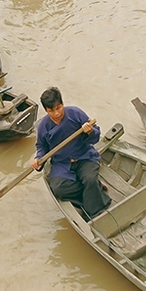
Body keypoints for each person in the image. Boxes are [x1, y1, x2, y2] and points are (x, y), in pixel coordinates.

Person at [34, 87, 107, 218]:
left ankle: (93, 211)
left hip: (84, 156)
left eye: (58, 108)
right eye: (52, 110)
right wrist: (38, 159)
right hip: (62, 163)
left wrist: (89, 131)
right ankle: (95, 190)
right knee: (59, 189)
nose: (56, 113)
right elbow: (41, 147)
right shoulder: (43, 126)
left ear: (62, 104)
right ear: (46, 110)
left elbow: (96, 135)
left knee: (89, 179)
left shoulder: (75, 113)